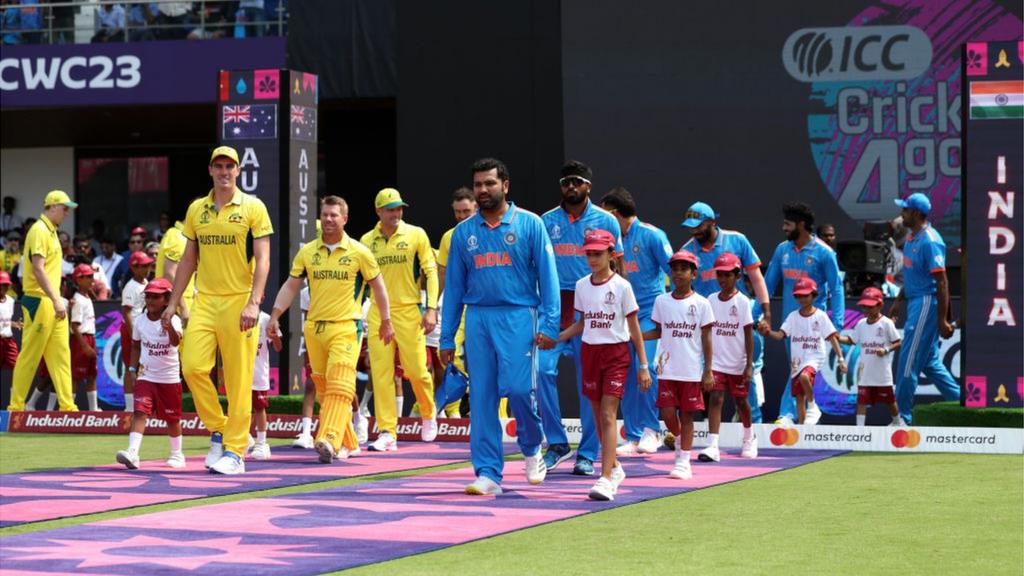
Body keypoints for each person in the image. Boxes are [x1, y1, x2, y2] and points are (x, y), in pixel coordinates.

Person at [440, 157, 558, 495]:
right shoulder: (463, 233)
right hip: (478, 318)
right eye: (478, 184)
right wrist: (447, 337)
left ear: (505, 185)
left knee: (521, 391)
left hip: (520, 315)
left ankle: (533, 444)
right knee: (481, 397)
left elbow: (548, 279)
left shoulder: (530, 224)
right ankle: (489, 473)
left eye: (489, 183)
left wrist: (549, 325)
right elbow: (455, 290)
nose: (483, 190)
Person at [163, 146, 273, 475]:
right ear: (210, 170)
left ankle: (236, 452)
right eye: (218, 166)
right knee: (193, 366)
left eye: (230, 166)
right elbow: (187, 260)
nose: (224, 172)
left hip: (240, 299)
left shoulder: (253, 207)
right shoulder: (198, 209)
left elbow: (264, 259)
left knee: (239, 380)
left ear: (238, 170)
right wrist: (172, 302)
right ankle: (219, 428)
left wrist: (255, 302)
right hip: (205, 301)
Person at [268, 195, 393, 462]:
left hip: (346, 327)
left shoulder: (359, 252)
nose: (328, 219)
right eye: (325, 214)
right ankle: (349, 440)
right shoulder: (308, 251)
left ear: (345, 219)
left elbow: (379, 288)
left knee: (339, 386)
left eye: (334, 215)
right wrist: (275, 316)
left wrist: (386, 320)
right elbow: (291, 285)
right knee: (325, 390)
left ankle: (328, 439)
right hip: (314, 328)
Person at [539, 160, 624, 476]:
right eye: (565, 182)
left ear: (588, 185)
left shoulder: (606, 221)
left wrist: (617, 312)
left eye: (576, 181)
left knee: (590, 387)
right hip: (554, 306)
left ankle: (587, 453)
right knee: (542, 372)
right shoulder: (546, 221)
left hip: (593, 306)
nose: (570, 187)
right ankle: (558, 444)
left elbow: (620, 267)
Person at [557, 229, 650, 501]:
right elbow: (583, 323)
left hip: (617, 355)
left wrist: (643, 365)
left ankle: (606, 477)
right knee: (598, 417)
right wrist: (558, 337)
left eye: (598, 253)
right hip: (589, 353)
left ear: (611, 254)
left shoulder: (622, 286)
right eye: (589, 253)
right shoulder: (582, 285)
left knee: (609, 415)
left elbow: (634, 329)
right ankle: (615, 467)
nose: (593, 259)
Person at [359, 188, 438, 452]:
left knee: (416, 370)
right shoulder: (366, 241)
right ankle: (387, 432)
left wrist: (431, 309)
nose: (396, 213)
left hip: (408, 311)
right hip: (378, 313)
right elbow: (359, 281)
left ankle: (428, 413)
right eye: (390, 209)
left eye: (399, 208)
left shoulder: (416, 234)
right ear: (378, 211)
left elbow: (431, 271)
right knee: (381, 374)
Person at [600, 187, 671, 456]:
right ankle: (633, 434)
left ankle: (652, 430)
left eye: (605, 214)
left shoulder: (652, 235)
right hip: (621, 313)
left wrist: (671, 311)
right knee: (626, 372)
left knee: (647, 369)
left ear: (615, 214)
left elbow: (675, 271)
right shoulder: (610, 241)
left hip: (650, 311)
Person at [763, 202, 844, 425]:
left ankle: (788, 414)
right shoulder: (782, 250)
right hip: (790, 323)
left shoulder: (824, 252)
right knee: (797, 367)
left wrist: (836, 324)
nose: (783, 228)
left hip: (815, 323)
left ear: (801, 225)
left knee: (801, 367)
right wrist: (755, 313)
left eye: (788, 224)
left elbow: (836, 288)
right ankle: (806, 411)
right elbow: (767, 286)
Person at [889, 193, 960, 424]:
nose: (902, 213)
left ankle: (902, 419)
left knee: (908, 360)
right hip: (914, 300)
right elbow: (911, 276)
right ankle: (963, 404)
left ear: (917, 214)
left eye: (906, 210)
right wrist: (899, 299)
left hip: (927, 302)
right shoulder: (912, 237)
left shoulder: (930, 240)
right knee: (929, 362)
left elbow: (942, 282)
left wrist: (942, 320)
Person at [643, 249, 714, 480]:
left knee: (687, 416)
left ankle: (683, 461)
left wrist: (708, 370)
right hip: (666, 369)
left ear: (694, 274)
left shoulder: (702, 304)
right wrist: (636, 335)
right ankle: (682, 441)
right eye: (675, 269)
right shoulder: (661, 301)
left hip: (691, 370)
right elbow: (658, 330)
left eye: (684, 269)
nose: (678, 273)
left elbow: (706, 339)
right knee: (666, 413)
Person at [8, 191, 78, 412]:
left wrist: (56, 300)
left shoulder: (51, 231)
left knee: (61, 356)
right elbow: (38, 269)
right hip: (40, 300)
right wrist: (56, 300)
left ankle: (68, 407)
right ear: (53, 206)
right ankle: (16, 407)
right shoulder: (39, 230)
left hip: (51, 301)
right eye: (65, 208)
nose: (67, 212)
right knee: (30, 355)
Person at [116, 278, 185, 469]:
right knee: (139, 412)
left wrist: (168, 324)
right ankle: (133, 454)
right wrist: (132, 368)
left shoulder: (175, 320)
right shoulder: (139, 321)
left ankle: (177, 454)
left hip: (169, 378)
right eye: (148, 296)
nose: (150, 300)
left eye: (156, 297)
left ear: (166, 299)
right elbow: (136, 346)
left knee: (172, 419)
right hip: (146, 376)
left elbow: (175, 342)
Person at [761, 278, 847, 424]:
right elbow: (781, 335)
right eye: (799, 296)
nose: (802, 299)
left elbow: (832, 338)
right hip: (797, 362)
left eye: (806, 295)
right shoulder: (793, 316)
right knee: (799, 397)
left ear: (814, 295)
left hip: (815, 358)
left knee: (804, 377)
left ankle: (813, 407)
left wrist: (841, 360)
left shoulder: (820, 315)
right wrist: (768, 332)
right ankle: (802, 429)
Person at [680, 201, 772, 323]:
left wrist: (765, 311)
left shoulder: (737, 240)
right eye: (691, 228)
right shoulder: (686, 252)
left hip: (739, 313)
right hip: (708, 319)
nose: (695, 231)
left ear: (712, 222)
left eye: (699, 226)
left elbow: (756, 279)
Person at [703, 253, 756, 461]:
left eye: (727, 275)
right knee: (715, 398)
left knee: (741, 402)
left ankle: (749, 437)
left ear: (737, 275)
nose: (722, 279)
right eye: (720, 275)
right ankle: (713, 445)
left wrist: (749, 365)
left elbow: (749, 336)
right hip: (716, 362)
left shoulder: (743, 302)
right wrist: (706, 364)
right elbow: (706, 333)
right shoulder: (710, 300)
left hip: (738, 363)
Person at [837, 287, 902, 426]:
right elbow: (851, 340)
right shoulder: (861, 324)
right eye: (864, 306)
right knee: (861, 401)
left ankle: (898, 422)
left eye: (870, 306)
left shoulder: (886, 323)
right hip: (865, 373)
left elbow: (898, 342)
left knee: (890, 401)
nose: (866, 309)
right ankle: (860, 432)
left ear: (880, 305)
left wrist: (885, 350)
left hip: (882, 374)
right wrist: (836, 337)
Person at [120, 251, 152, 410]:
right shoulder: (130, 287)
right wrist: (134, 335)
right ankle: (129, 407)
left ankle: (142, 403)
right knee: (130, 366)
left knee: (144, 365)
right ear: (134, 268)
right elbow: (126, 312)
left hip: (143, 328)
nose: (148, 268)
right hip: (130, 329)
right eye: (143, 266)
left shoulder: (146, 282)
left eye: (148, 265)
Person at [249, 309, 282, 460]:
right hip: (240, 372)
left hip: (258, 373)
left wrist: (275, 337)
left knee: (259, 408)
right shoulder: (237, 314)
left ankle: (261, 443)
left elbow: (278, 347)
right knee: (239, 407)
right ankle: (243, 438)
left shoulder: (266, 319)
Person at [70, 264, 100, 412]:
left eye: (92, 276)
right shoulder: (78, 300)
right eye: (88, 276)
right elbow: (74, 326)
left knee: (92, 374)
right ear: (79, 279)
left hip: (90, 338)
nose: (91, 279)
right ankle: (70, 407)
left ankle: (93, 409)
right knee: (75, 376)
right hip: (80, 340)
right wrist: (84, 346)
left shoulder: (86, 296)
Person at [156, 219, 196, 318]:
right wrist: (182, 307)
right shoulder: (177, 236)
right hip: (177, 307)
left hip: (182, 303)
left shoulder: (186, 237)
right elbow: (169, 275)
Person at [0, 271, 20, 377]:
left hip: (9, 341)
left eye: (7, 284)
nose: (5, 287)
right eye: (2, 284)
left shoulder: (11, 301)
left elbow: (4, 320)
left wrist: (14, 324)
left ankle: (15, 394)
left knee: (18, 368)